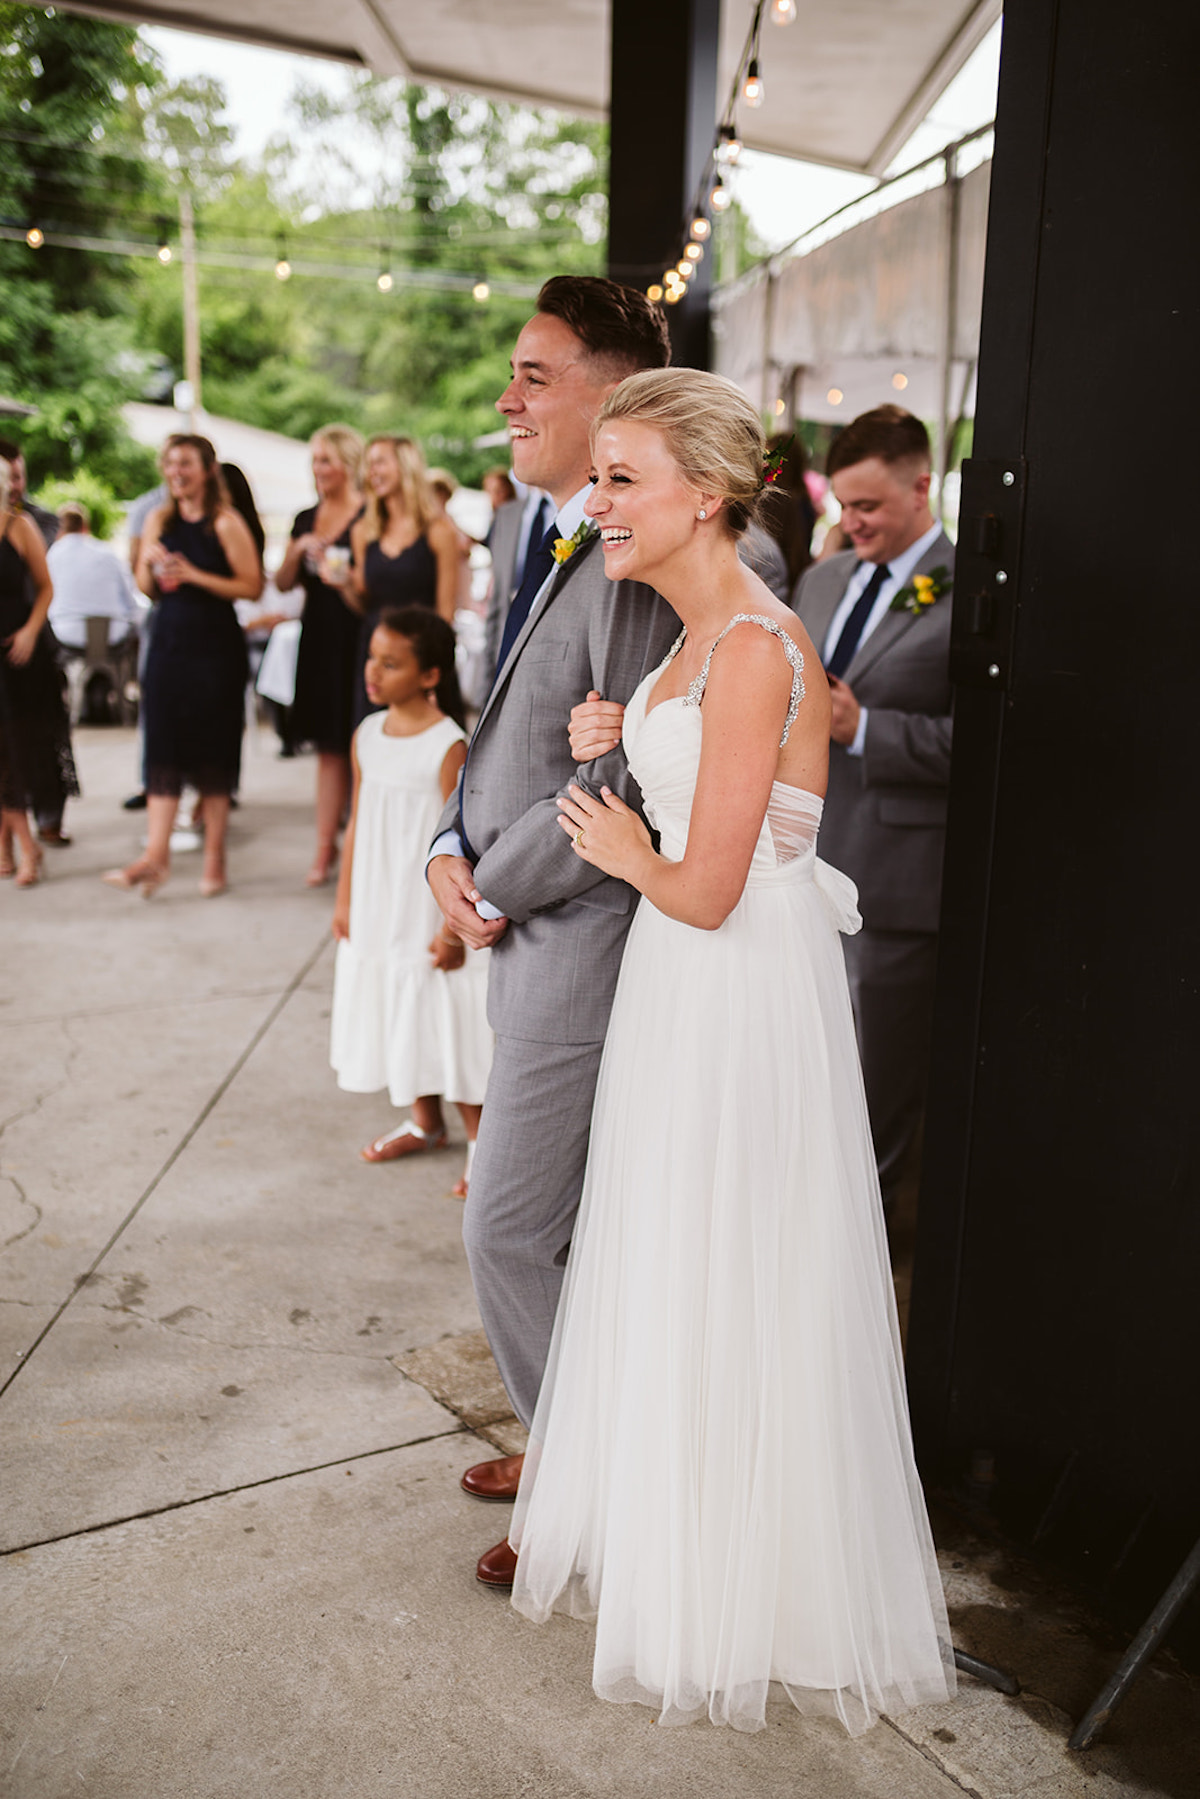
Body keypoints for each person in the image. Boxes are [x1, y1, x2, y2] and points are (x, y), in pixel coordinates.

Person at [504, 368, 954, 1736]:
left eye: (623, 477)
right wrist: (617, 732)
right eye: (600, 476)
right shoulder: (689, 639)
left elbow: (709, 884)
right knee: (676, 1249)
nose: (598, 502)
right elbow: (709, 784)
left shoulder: (757, 645)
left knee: (731, 1257)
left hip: (732, 980)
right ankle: (686, 1537)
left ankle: (747, 1581)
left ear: (705, 495)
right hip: (684, 984)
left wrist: (627, 843)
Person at [426, 274, 678, 1586]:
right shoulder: (552, 525)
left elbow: (622, 774)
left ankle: (587, 1492)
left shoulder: (651, 541)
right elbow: (499, 725)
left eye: (536, 373)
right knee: (549, 1232)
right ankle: (559, 1426)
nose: (509, 397)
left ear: (615, 389)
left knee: (509, 1230)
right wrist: (440, 849)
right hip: (515, 910)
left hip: (578, 937)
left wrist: (500, 882)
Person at [791, 405, 955, 1215]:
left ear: (922, 486)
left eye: (869, 507)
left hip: (895, 883)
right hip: (793, 864)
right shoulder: (819, 580)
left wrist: (867, 729)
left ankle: (867, 1265)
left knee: (873, 1088)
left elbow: (990, 745)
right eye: (842, 506)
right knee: (799, 1074)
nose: (850, 523)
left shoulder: (970, 590)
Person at [331, 609, 491, 1199]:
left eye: (390, 663)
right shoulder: (367, 734)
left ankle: (480, 1140)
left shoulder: (448, 744)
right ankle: (426, 1123)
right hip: (378, 901)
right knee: (398, 1014)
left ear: (429, 675)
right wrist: (346, 898)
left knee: (446, 1019)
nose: (373, 672)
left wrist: (451, 929)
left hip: (423, 906)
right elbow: (358, 822)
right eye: (373, 657)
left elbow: (463, 838)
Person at [103, 435, 263, 898]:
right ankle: (155, 857)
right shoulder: (158, 517)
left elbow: (251, 585)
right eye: (170, 463)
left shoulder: (225, 521)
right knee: (163, 748)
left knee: (213, 752)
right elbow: (144, 587)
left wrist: (194, 574)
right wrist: (150, 568)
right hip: (168, 642)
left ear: (207, 469)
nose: (177, 472)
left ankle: (215, 858)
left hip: (214, 646)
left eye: (186, 463)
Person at [274, 425, 365, 886]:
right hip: (317, 639)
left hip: (357, 638)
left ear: (348, 464)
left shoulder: (368, 515)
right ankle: (323, 847)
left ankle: (358, 847)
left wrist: (343, 579)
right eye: (314, 460)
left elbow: (367, 599)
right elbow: (283, 584)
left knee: (358, 746)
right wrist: (296, 549)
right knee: (328, 750)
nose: (318, 469)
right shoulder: (305, 517)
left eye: (326, 460)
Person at [332, 435, 458, 731]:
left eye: (379, 462)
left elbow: (445, 615)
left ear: (405, 466)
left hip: (422, 658)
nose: (370, 472)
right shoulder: (363, 530)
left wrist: (431, 676)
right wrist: (344, 586)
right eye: (368, 465)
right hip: (377, 655)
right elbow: (364, 603)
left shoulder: (439, 530)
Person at [0, 453, 78, 886]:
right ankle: (11, 846)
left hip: (19, 655)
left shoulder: (19, 525)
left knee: (16, 754)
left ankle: (27, 847)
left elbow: (46, 587)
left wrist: (30, 631)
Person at [46, 502, 141, 652]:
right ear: (85, 527)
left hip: (66, 635)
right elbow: (130, 598)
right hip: (112, 635)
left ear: (59, 530)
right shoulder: (108, 553)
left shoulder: (51, 555)